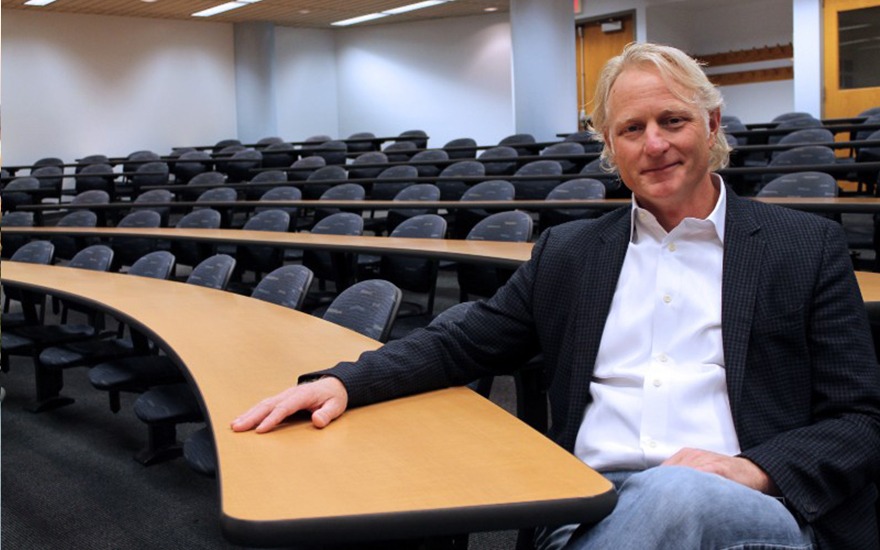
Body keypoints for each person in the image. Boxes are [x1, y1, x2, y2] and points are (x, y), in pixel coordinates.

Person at [232, 42, 880, 549]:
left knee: (680, 496)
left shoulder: (804, 249)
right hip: (586, 505)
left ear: (711, 124)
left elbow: (860, 420)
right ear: (609, 147)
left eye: (673, 120)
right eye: (631, 129)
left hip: (747, 510)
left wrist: (756, 470)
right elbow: (464, 339)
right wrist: (348, 382)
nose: (654, 144)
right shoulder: (571, 253)